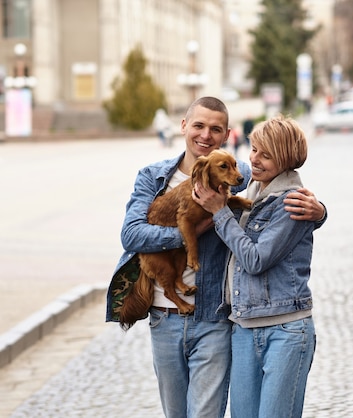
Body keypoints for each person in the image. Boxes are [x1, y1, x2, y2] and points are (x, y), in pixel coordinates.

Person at [105, 97, 326, 418]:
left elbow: (283, 191)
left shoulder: (241, 173)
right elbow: (132, 235)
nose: (205, 135)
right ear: (183, 126)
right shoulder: (154, 178)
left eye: (215, 129)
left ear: (226, 135)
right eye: (198, 126)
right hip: (164, 317)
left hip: (214, 319)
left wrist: (319, 212)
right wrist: (192, 230)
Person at [195, 114, 318, 418]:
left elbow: (255, 259)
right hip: (244, 327)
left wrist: (220, 212)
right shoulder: (250, 189)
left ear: (286, 158)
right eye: (254, 150)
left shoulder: (292, 202)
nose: (255, 160)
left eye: (266, 154)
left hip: (285, 330)